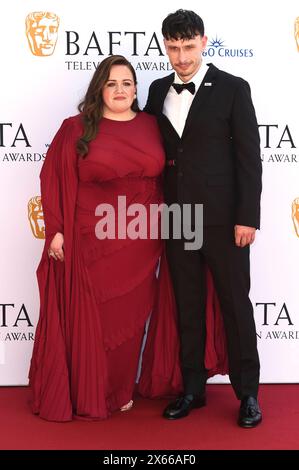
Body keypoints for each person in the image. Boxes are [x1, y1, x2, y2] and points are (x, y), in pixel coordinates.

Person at [29, 55, 226, 421]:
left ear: (137, 89)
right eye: (112, 83)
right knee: (94, 319)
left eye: (127, 83)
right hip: (91, 239)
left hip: (142, 237)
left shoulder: (154, 125)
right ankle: (88, 390)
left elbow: (181, 170)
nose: (120, 90)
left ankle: (119, 389)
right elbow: (53, 178)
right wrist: (55, 229)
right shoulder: (75, 128)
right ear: (99, 89)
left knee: (131, 319)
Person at [144, 10, 263, 428]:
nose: (180, 57)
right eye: (172, 48)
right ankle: (192, 389)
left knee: (235, 305)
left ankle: (248, 393)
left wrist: (247, 216)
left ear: (204, 42)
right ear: (165, 45)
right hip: (177, 217)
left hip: (224, 219)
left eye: (188, 47)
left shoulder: (233, 87)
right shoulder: (157, 90)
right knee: (188, 306)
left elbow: (249, 159)